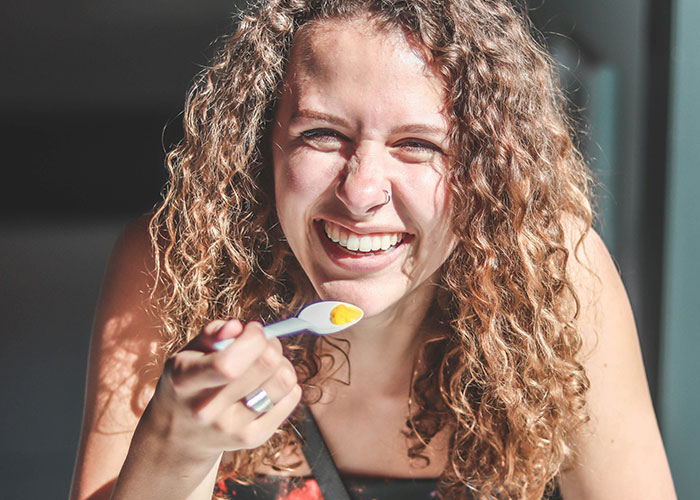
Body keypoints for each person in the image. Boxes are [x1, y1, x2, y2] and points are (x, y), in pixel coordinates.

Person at [70, 1, 677, 499]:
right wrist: (177, 447)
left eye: (418, 145)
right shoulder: (174, 265)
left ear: (489, 171)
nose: (361, 193)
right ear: (264, 143)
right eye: (323, 134)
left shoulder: (557, 275)